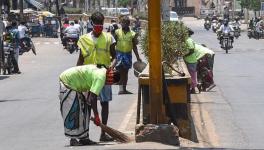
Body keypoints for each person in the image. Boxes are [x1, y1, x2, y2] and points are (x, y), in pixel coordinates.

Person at [77, 12, 117, 142]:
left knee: (104, 104)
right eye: (97, 26)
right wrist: (77, 76)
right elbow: (80, 60)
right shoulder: (83, 39)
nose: (99, 29)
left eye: (101, 26)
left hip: (104, 74)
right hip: (88, 76)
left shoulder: (109, 38)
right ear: (91, 24)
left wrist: (112, 65)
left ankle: (103, 134)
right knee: (88, 104)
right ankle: (85, 135)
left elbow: (115, 56)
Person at [59, 64, 120, 146]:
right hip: (68, 81)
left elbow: (91, 98)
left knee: (85, 111)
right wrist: (97, 116)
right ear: (111, 80)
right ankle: (72, 139)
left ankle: (84, 138)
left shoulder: (103, 71)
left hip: (80, 85)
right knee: (73, 111)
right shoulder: (101, 78)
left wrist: (94, 114)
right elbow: (93, 97)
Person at [114, 16, 142, 94]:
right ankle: (120, 89)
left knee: (125, 72)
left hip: (127, 55)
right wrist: (112, 55)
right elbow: (113, 44)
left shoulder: (132, 34)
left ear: (128, 24)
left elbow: (134, 46)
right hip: (119, 54)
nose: (122, 24)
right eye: (121, 23)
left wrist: (138, 57)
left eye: (124, 23)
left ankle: (124, 89)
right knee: (119, 70)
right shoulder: (117, 32)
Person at [183, 28, 198, 94]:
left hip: (191, 60)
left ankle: (193, 88)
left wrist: (184, 55)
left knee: (191, 75)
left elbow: (191, 50)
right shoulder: (188, 39)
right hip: (190, 60)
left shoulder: (188, 40)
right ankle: (192, 88)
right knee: (191, 74)